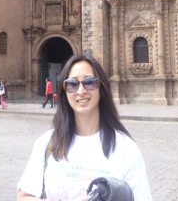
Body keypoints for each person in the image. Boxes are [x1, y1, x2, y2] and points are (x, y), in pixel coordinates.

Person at [17, 54, 152, 200]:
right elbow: (24, 196)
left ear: (101, 88)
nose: (81, 91)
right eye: (72, 84)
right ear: (64, 91)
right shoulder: (47, 143)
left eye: (89, 82)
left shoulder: (125, 149)